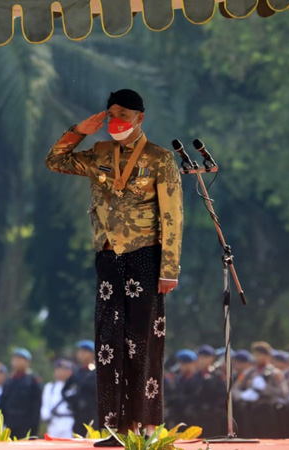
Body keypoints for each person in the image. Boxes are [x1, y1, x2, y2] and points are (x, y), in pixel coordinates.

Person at [45, 89, 184, 444]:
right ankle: (118, 429)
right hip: (108, 256)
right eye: (111, 114)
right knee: (108, 344)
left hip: (145, 256)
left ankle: (148, 428)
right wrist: (79, 131)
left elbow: (172, 216)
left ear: (140, 117)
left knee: (143, 341)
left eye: (124, 113)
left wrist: (170, 267)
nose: (116, 120)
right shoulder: (100, 153)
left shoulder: (159, 159)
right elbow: (55, 161)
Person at [0, 348, 42, 438]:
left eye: (19, 359)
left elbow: (36, 406)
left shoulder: (32, 381)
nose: (16, 362)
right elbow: (2, 404)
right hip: (10, 424)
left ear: (27, 362)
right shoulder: (9, 381)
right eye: (15, 359)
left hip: (26, 424)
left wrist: (34, 428)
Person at [63, 340, 97, 437]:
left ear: (92, 354)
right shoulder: (77, 372)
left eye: (84, 351)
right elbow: (65, 390)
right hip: (78, 414)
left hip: (93, 415)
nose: (81, 354)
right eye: (80, 351)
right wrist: (71, 402)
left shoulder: (96, 372)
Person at [41, 359, 75, 438]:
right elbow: (45, 405)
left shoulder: (73, 387)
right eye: (58, 369)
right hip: (54, 422)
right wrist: (46, 416)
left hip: (69, 422)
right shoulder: (49, 387)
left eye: (64, 369)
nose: (60, 372)